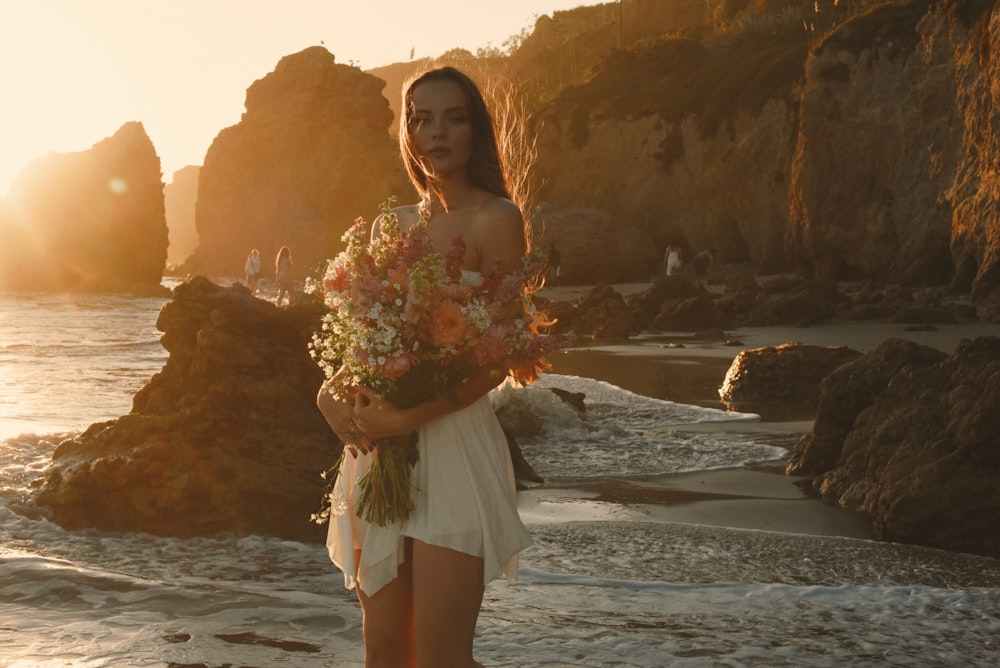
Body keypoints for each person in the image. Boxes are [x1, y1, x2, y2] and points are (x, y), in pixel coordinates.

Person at [315, 66, 535, 668]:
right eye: (422, 119)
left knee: (439, 655)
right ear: (408, 133)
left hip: (453, 446)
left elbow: (499, 361)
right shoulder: (393, 226)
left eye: (454, 117)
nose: (437, 132)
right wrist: (330, 393)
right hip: (380, 452)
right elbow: (364, 345)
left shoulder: (498, 220)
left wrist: (407, 417)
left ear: (475, 130)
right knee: (385, 650)